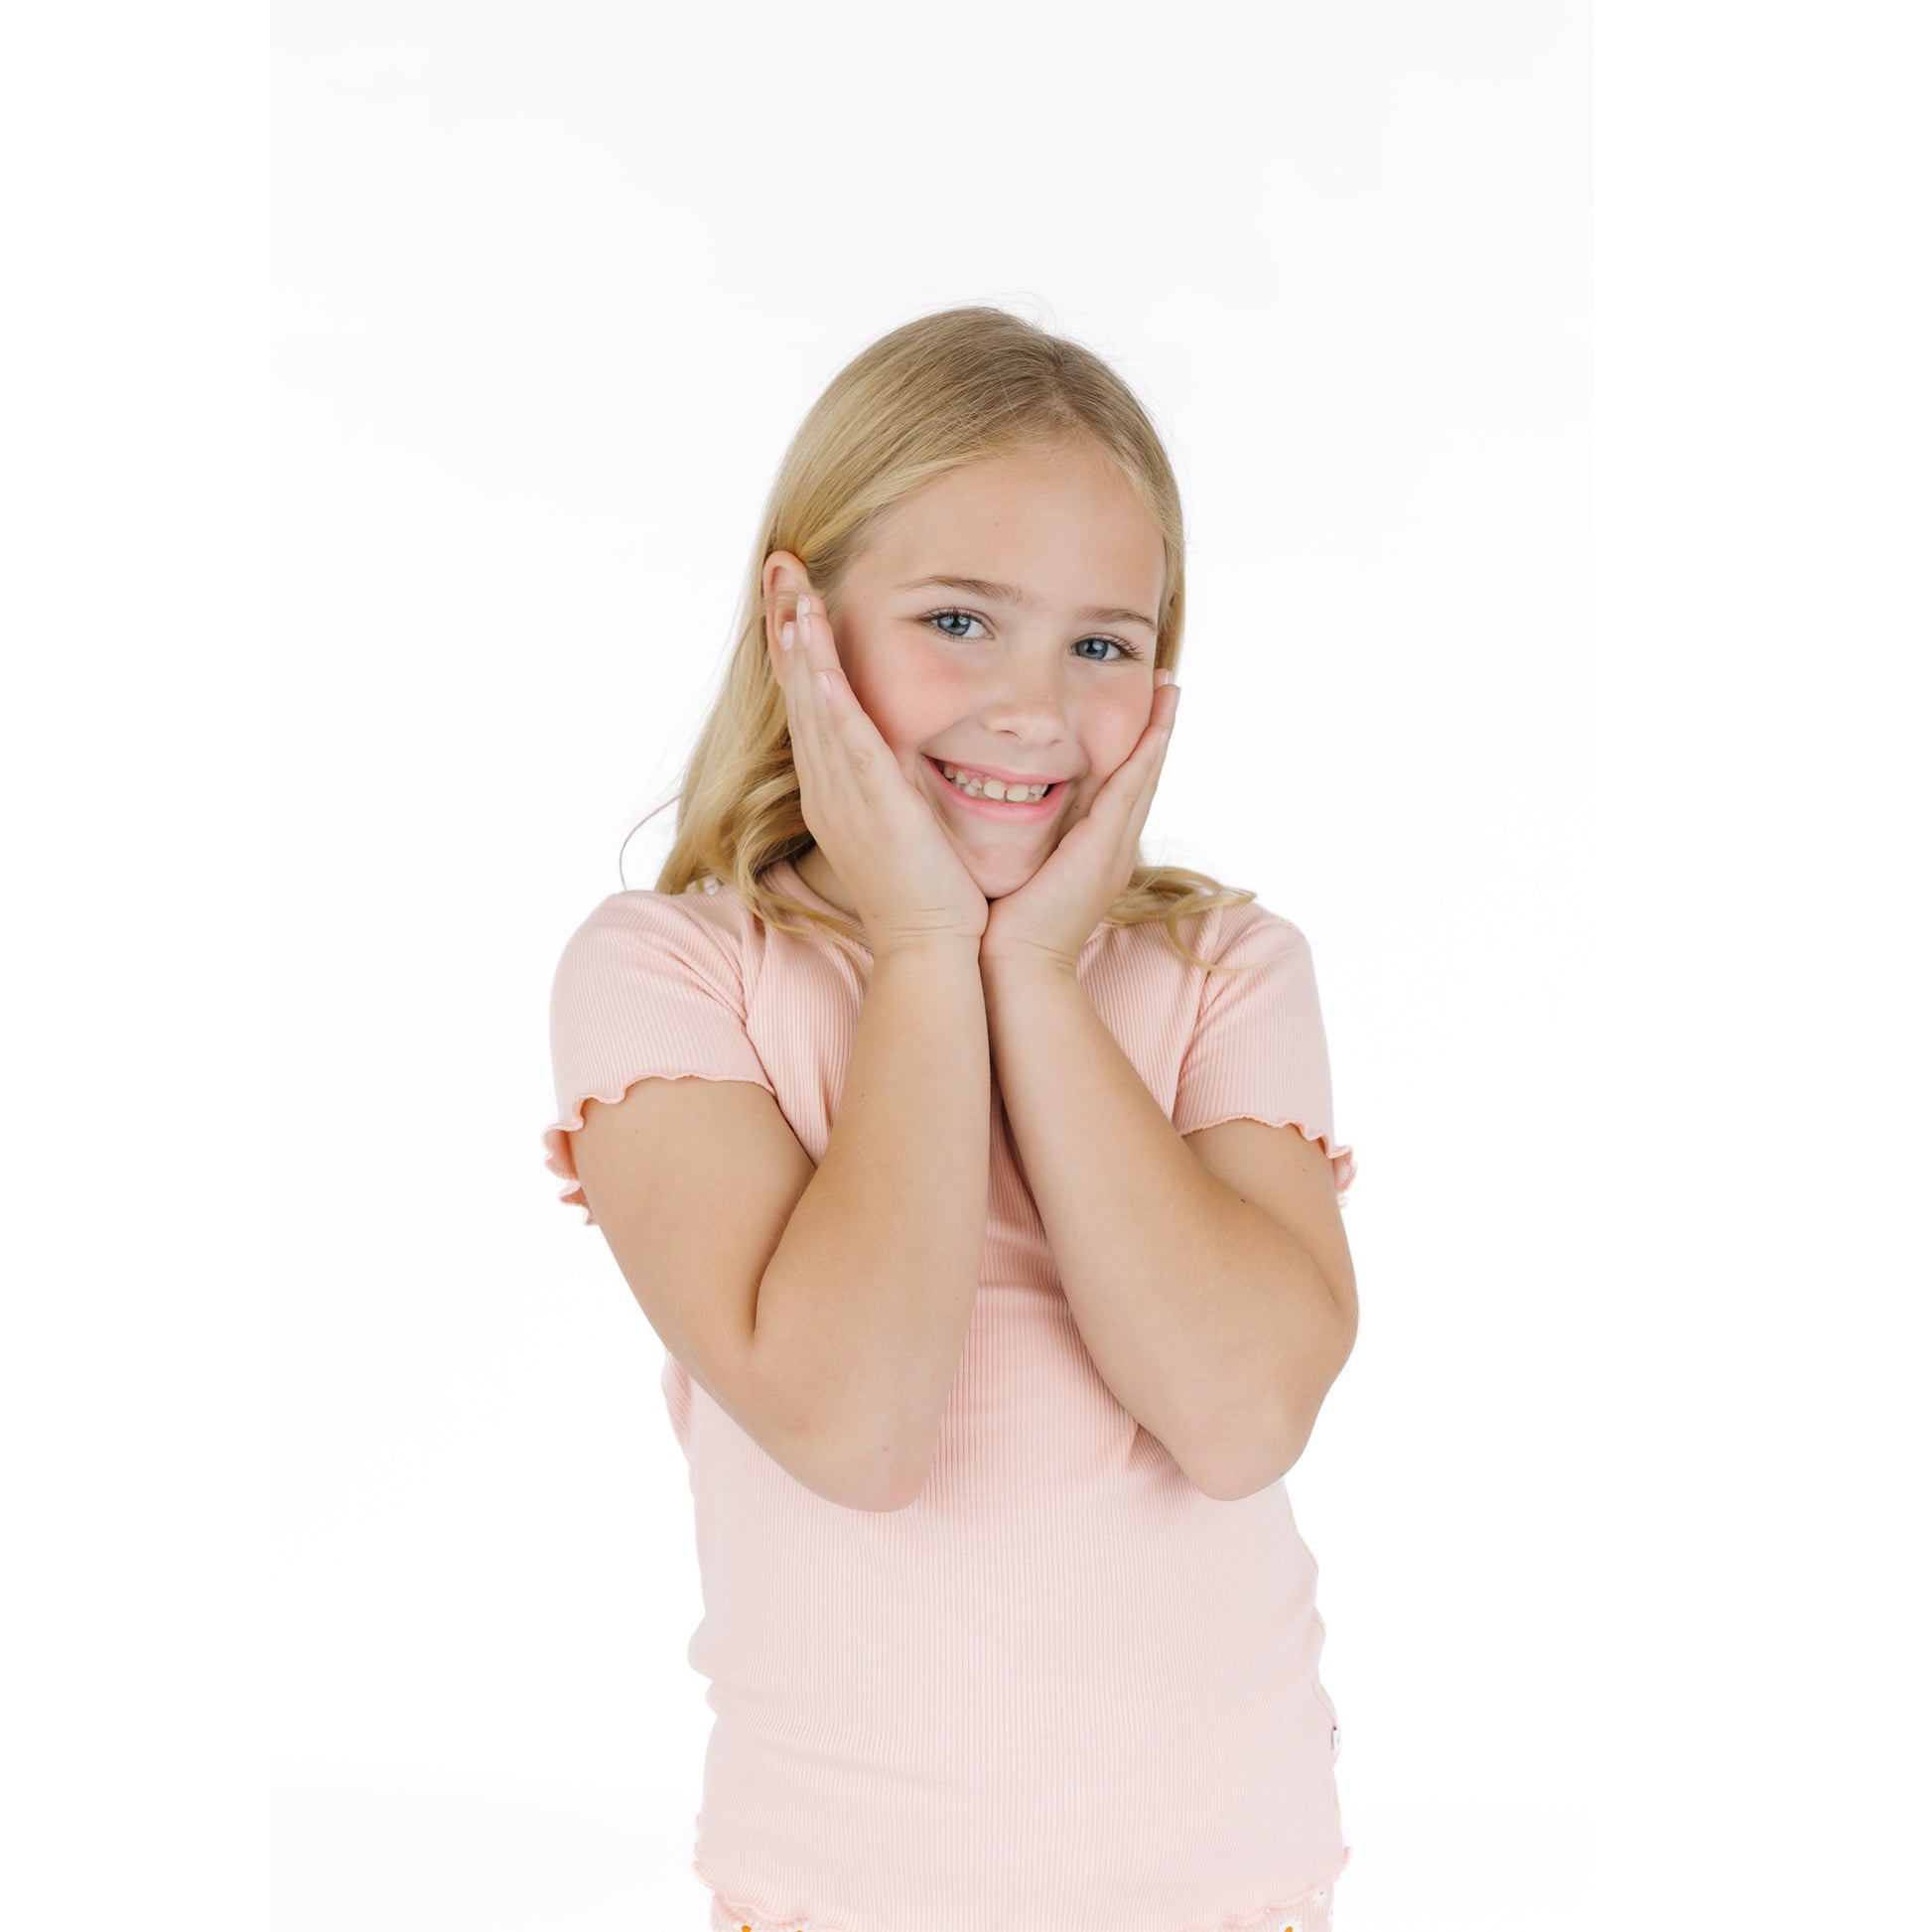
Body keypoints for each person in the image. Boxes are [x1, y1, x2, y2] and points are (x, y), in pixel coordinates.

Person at [541, 304, 1360, 1932]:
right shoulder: (674, 974)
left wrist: (1038, 977)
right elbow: (854, 1423)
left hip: (1227, 1893)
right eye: (960, 620)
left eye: (1102, 644)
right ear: (800, 613)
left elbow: (1241, 1414)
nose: (1033, 709)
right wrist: (924, 951)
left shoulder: (1221, 971)